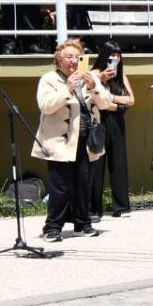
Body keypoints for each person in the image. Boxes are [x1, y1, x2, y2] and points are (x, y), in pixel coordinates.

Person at [32, 38, 112, 242]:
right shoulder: (50, 79)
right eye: (69, 57)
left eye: (78, 57)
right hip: (60, 142)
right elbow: (46, 106)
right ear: (59, 59)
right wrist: (67, 88)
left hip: (85, 140)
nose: (74, 61)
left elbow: (105, 104)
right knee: (61, 187)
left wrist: (94, 86)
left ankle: (83, 223)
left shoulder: (90, 77)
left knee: (83, 184)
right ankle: (52, 227)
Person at [91, 40, 134, 220]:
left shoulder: (121, 76)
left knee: (118, 163)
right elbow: (94, 99)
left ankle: (121, 206)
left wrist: (111, 98)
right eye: (112, 54)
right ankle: (93, 209)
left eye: (118, 55)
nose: (115, 58)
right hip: (98, 121)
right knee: (96, 165)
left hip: (116, 123)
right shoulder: (94, 74)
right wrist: (102, 82)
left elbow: (131, 100)